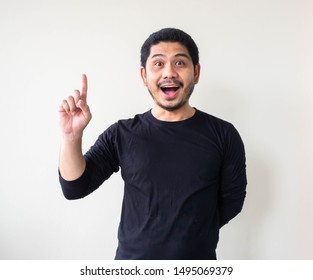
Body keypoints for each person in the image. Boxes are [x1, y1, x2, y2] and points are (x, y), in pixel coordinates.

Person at [58, 28, 247, 260]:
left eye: (180, 63)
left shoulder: (224, 134)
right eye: (158, 64)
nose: (169, 72)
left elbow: (232, 201)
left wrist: (195, 231)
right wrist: (71, 136)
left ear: (196, 73)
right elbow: (75, 188)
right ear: (144, 76)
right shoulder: (122, 133)